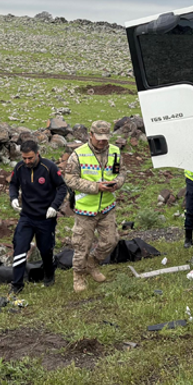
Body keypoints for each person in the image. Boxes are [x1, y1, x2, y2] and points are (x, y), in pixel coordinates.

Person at [64, 120, 125, 292]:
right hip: (85, 209)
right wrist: (96, 187)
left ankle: (92, 263)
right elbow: (70, 179)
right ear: (91, 135)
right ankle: (78, 276)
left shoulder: (115, 151)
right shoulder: (78, 154)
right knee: (82, 246)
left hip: (107, 207)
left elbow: (122, 172)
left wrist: (117, 183)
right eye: (99, 137)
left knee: (111, 241)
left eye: (105, 137)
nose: (102, 141)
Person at [8, 140, 67, 294]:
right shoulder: (20, 167)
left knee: (45, 249)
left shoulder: (49, 168)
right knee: (20, 247)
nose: (27, 161)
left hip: (45, 217)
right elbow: (13, 184)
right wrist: (13, 197)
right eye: (24, 158)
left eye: (30, 158)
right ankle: (17, 284)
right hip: (26, 216)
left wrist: (54, 206)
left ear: (37, 154)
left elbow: (62, 187)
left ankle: (49, 273)